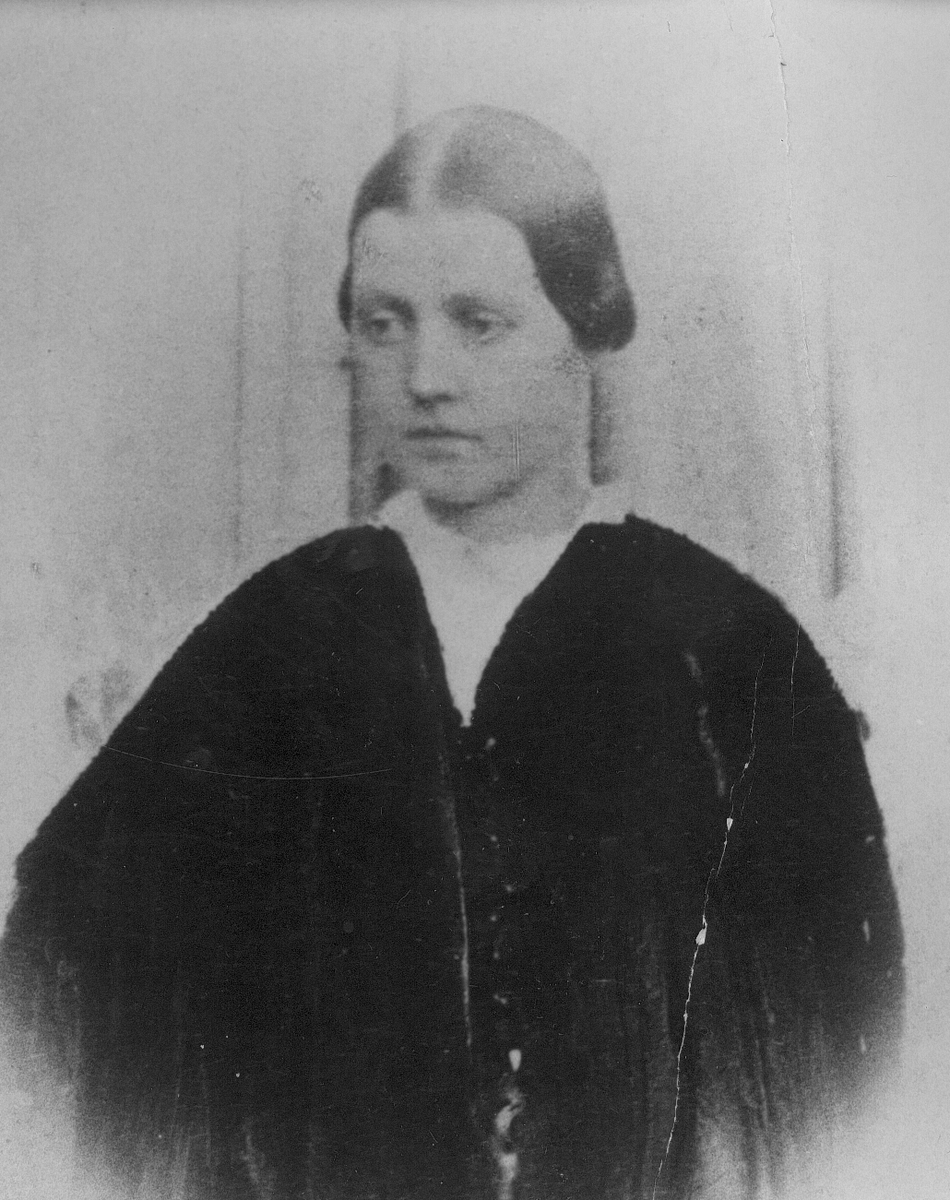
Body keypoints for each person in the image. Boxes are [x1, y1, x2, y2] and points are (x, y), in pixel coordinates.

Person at [0, 106, 903, 1200]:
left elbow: (827, 1057)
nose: (425, 375)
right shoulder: (274, 635)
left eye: (478, 322)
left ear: (586, 327)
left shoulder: (730, 650)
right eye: (384, 324)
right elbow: (66, 1007)